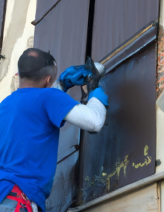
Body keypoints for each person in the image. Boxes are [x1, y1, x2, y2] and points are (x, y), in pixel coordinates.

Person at [0, 48, 108, 212]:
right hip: (18, 200)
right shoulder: (48, 97)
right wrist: (95, 88)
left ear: (19, 74)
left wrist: (62, 85)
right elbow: (95, 121)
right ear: (47, 79)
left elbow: (38, 104)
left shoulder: (5, 105)